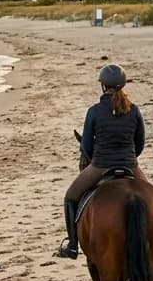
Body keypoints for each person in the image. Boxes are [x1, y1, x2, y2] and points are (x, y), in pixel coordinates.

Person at [56, 64, 147, 259]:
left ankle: (72, 245)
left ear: (103, 86)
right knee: (152, 198)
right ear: (122, 85)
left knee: (70, 197)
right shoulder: (134, 111)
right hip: (130, 164)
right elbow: (139, 144)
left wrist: (98, 156)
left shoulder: (94, 112)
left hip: (100, 165)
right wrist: (129, 159)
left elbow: (86, 147)